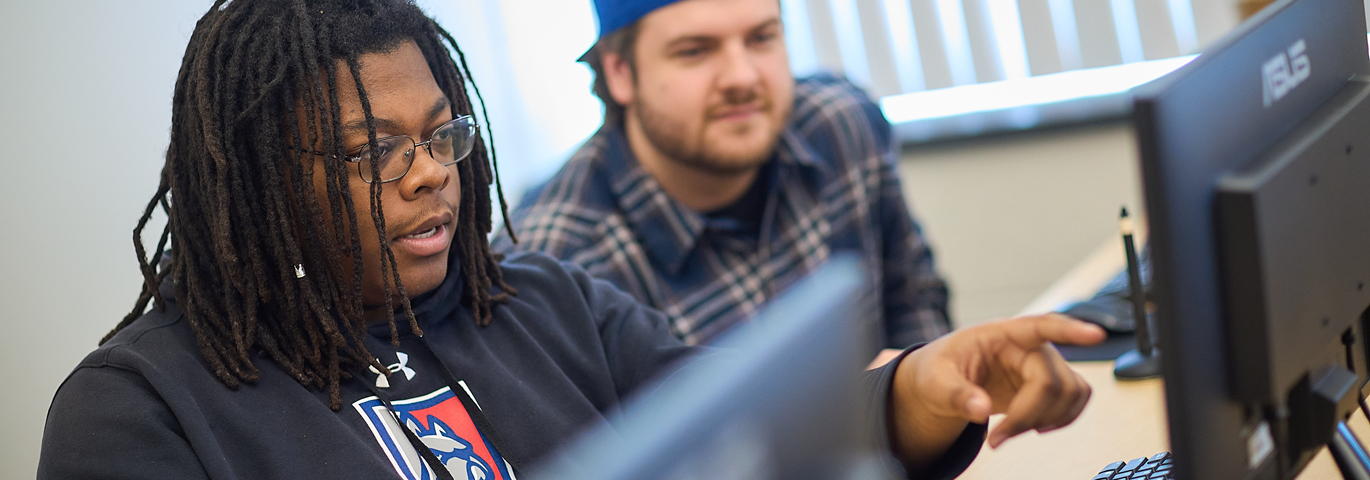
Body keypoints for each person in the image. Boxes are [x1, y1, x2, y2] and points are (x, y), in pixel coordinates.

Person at [38, 1, 1104, 478]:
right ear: (262, 185)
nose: (429, 174)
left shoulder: (541, 303)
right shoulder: (140, 411)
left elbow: (776, 429)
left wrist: (930, 383)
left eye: (440, 136)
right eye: (371, 153)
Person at [495, 0, 950, 350]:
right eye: (695, 51)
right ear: (619, 72)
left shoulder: (842, 128)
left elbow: (914, 301)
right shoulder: (550, 268)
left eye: (761, 38)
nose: (742, 77)